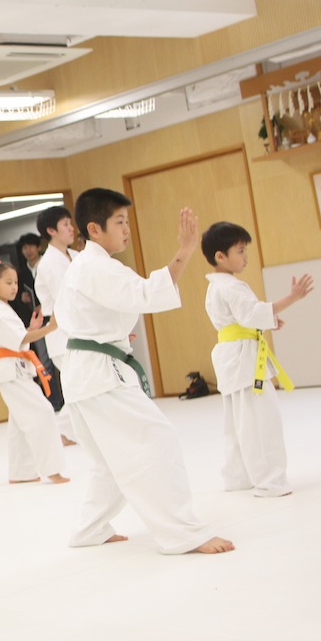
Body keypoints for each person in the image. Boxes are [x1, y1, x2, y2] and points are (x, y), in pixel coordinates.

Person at [57, 188, 234, 555]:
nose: (126, 229)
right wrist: (185, 250)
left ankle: (90, 528)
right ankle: (183, 533)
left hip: (86, 374)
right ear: (94, 228)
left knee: (109, 461)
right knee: (156, 442)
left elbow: (96, 312)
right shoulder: (96, 266)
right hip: (99, 376)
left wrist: (116, 333)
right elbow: (147, 294)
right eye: (119, 222)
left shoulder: (87, 266)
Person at [201, 221, 314, 497]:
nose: (246, 257)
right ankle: (270, 482)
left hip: (232, 357)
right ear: (220, 256)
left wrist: (268, 321)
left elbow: (242, 319)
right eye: (240, 251)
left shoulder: (216, 286)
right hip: (243, 361)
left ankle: (239, 477)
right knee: (261, 421)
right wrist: (292, 298)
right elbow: (251, 314)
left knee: (239, 422)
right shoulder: (231, 287)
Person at [0, 260, 70, 485]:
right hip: (12, 372)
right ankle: (52, 469)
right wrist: (49, 329)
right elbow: (20, 340)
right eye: (8, 283)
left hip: (14, 369)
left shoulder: (2, 309)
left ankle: (22, 472)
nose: (14, 287)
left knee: (19, 423)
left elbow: (17, 337)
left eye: (16, 283)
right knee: (43, 413)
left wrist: (32, 329)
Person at [34, 205, 78, 444]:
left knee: (79, 386)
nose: (71, 228)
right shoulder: (49, 263)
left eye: (71, 223)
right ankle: (60, 431)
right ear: (51, 230)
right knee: (77, 386)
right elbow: (67, 298)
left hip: (79, 330)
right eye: (65, 225)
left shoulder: (76, 256)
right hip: (63, 333)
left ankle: (64, 431)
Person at [11, 232, 42, 327]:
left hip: (51, 314)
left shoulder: (47, 266)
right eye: (25, 248)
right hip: (32, 318)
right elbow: (16, 296)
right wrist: (21, 297)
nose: (28, 251)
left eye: (31, 246)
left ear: (38, 248)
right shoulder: (21, 273)